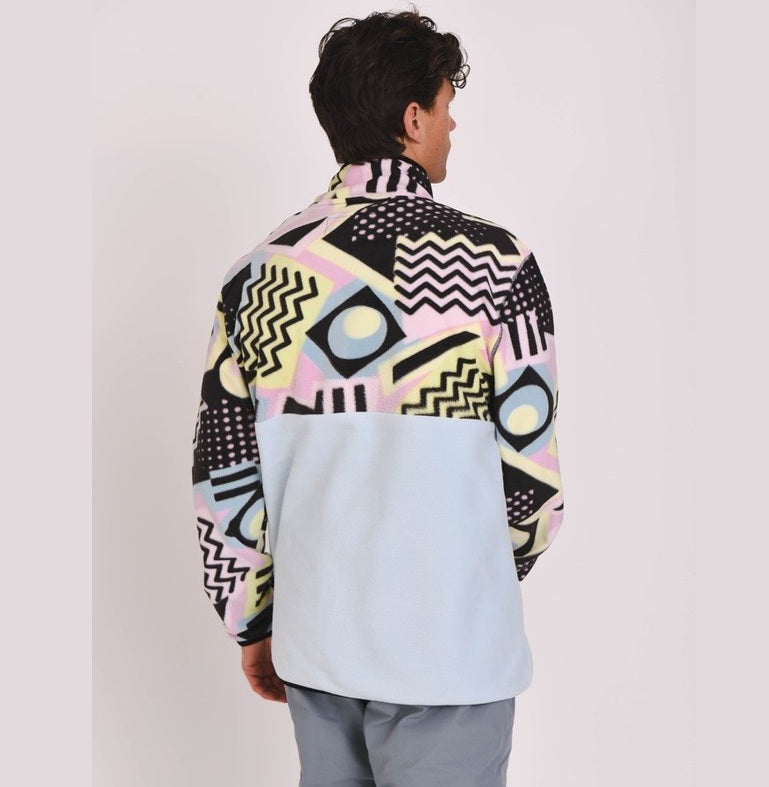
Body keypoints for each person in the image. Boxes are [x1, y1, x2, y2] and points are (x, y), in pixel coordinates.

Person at [191, 7, 565, 785]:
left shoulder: (255, 276)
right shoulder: (496, 264)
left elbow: (224, 477)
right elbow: (531, 484)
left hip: (319, 647)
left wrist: (252, 619)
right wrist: (465, 583)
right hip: (449, 654)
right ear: (412, 117)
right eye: (446, 105)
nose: (452, 125)